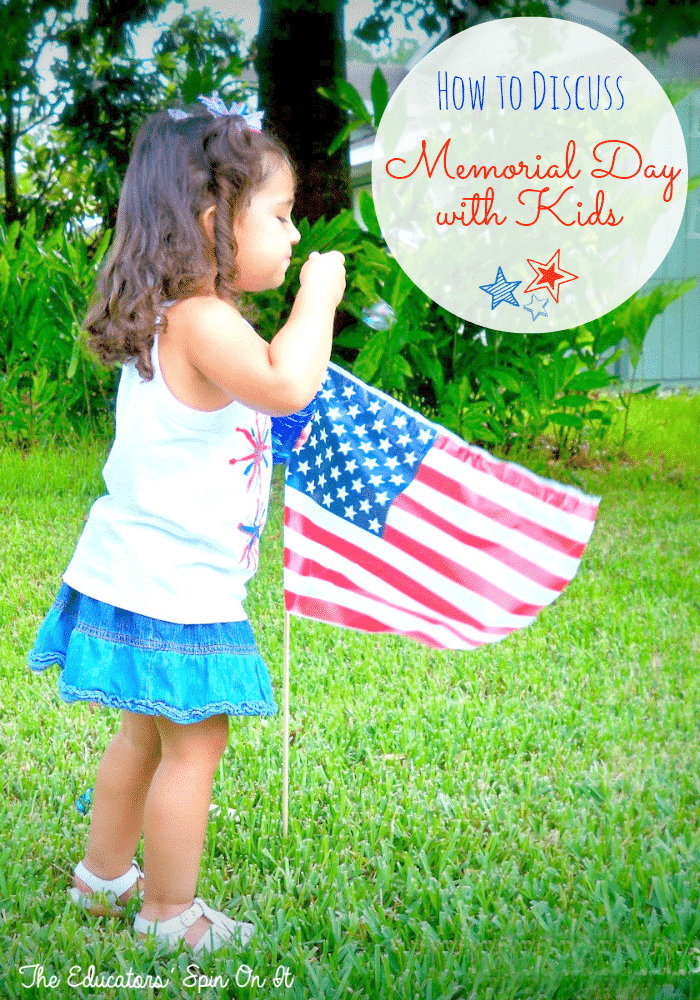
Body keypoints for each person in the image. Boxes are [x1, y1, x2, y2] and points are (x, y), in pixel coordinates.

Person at [27, 97, 346, 954]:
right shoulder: (207, 322)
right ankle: (170, 915)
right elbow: (286, 384)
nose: (290, 236)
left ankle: (103, 880)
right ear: (214, 223)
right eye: (278, 216)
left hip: (130, 570)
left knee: (141, 730)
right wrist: (320, 296)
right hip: (175, 586)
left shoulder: (171, 320)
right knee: (194, 749)